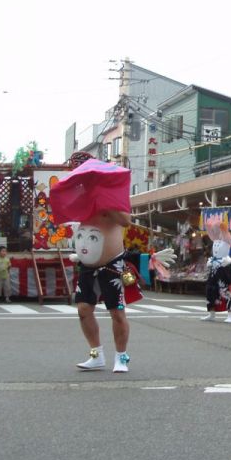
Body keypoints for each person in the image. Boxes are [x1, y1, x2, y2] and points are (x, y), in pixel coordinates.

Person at [50, 158, 150, 374]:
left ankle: (121, 357)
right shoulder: (82, 197)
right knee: (84, 310)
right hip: (87, 265)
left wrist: (105, 202)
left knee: (117, 312)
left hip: (112, 266)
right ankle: (96, 355)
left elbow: (125, 221)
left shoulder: (111, 194)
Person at [199, 217, 231, 322]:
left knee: (226, 289)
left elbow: (229, 240)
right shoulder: (215, 240)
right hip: (214, 265)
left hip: (224, 265)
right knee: (210, 289)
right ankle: (211, 312)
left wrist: (223, 228)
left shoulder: (227, 239)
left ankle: (230, 315)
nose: (216, 231)